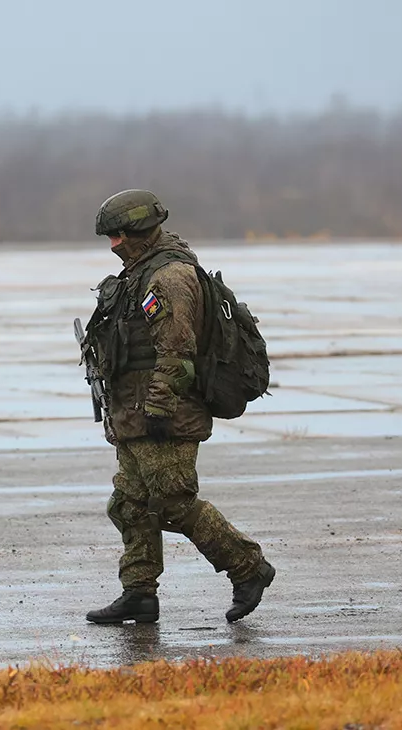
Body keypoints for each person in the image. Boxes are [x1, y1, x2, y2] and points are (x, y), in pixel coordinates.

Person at [81, 189, 274, 625]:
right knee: (129, 505)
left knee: (172, 503)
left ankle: (249, 567)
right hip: (134, 413)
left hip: (164, 416)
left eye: (119, 236)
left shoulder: (168, 278)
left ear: (141, 231)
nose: (113, 245)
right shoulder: (139, 272)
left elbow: (176, 353)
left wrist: (158, 410)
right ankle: (138, 594)